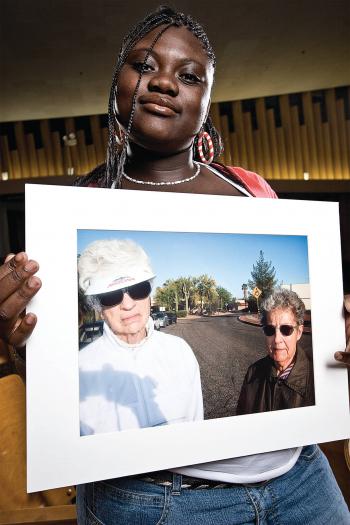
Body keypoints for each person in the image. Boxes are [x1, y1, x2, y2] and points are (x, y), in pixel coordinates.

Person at [1, 6, 350, 524]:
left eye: (190, 76)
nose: (164, 83)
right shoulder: (74, 214)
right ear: (116, 80)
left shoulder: (251, 191)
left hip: (300, 481)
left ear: (206, 101)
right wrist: (20, 341)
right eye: (143, 66)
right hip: (152, 503)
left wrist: (338, 331)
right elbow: (62, 389)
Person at [78, 239, 203, 435]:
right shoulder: (80, 372)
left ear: (149, 295)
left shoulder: (180, 352)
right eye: (111, 295)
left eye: (138, 289)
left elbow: (196, 431)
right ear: (98, 307)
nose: (128, 305)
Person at [237, 289, 315, 415]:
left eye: (286, 329)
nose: (277, 340)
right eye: (270, 330)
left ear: (299, 332)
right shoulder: (253, 373)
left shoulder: (318, 378)